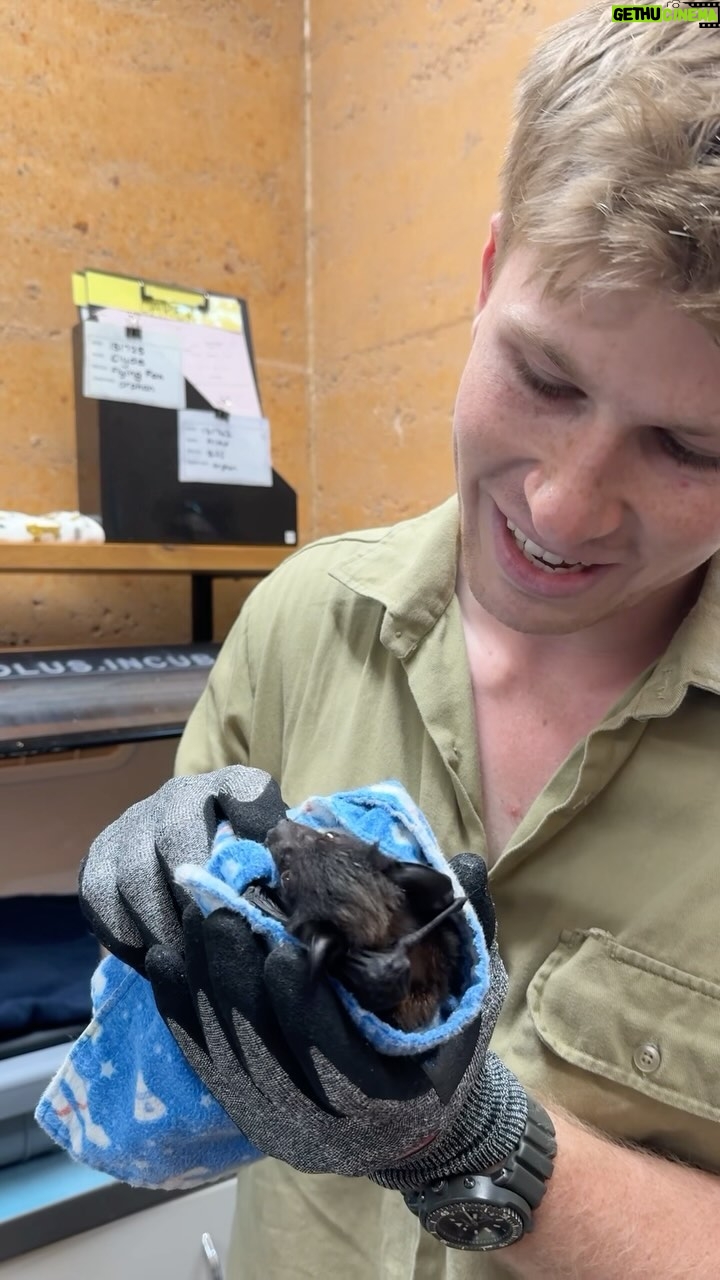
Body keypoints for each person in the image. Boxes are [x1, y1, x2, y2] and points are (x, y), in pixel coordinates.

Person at [79, 5, 720, 1277]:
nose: (562, 507)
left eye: (690, 446)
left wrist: (484, 1144)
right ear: (487, 281)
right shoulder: (300, 621)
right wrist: (157, 944)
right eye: (545, 377)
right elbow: (166, 1082)